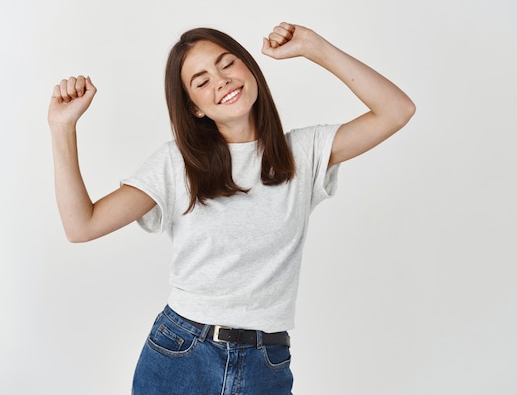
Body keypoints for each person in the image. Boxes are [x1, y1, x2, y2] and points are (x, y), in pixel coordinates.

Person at [48, 22, 415, 395]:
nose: (221, 81)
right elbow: (82, 226)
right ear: (194, 108)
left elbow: (396, 110)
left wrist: (314, 47)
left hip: (266, 363)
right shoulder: (177, 164)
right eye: (201, 81)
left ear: (250, 69)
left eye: (227, 64)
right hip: (181, 354)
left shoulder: (303, 154)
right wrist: (62, 128)